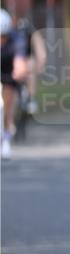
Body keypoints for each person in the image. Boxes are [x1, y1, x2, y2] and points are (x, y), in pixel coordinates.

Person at [1, 9, 29, 159]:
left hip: (8, 72)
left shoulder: (17, 40)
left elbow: (19, 63)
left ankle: (6, 137)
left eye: (3, 36)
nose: (1, 40)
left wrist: (19, 70)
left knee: (8, 98)